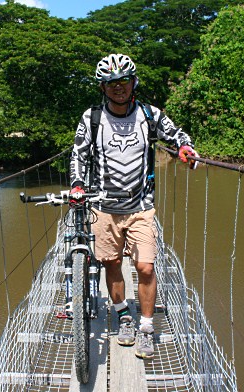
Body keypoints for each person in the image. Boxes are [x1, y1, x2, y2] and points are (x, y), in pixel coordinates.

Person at [69, 53, 199, 359]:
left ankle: (145, 328)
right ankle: (123, 316)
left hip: (141, 205)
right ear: (102, 87)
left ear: (133, 82)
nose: (118, 87)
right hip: (103, 206)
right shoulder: (92, 119)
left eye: (124, 81)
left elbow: (176, 134)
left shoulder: (150, 115)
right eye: (111, 83)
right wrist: (77, 185)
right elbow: (78, 156)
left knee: (145, 266)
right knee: (111, 265)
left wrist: (185, 148)